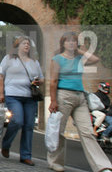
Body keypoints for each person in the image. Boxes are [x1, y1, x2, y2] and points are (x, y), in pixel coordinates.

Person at [48, 31, 112, 172]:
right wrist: (53, 100)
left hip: (80, 97)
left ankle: (102, 166)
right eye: (68, 41)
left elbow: (95, 59)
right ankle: (55, 162)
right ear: (63, 43)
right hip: (63, 96)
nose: (71, 43)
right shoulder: (57, 59)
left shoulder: (79, 59)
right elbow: (53, 81)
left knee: (88, 132)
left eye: (74, 41)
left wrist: (79, 51)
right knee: (59, 130)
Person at [0, 35, 44, 166]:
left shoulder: (35, 62)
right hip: (12, 95)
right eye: (24, 43)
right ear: (17, 45)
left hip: (30, 97)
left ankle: (26, 155)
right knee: (17, 120)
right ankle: (6, 144)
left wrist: (39, 81)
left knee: (29, 126)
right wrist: (1, 93)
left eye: (28, 43)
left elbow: (42, 78)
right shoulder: (8, 59)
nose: (27, 45)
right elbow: (0, 76)